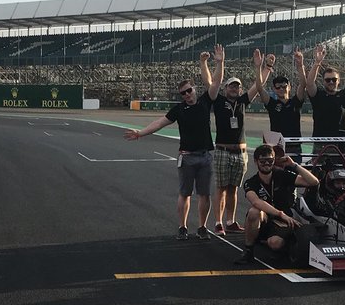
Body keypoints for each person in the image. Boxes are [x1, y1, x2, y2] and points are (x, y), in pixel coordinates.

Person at [125, 53, 216, 239]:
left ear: (194, 88)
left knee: (205, 194)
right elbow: (159, 123)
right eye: (183, 93)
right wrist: (140, 133)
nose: (187, 95)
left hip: (205, 156)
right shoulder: (179, 109)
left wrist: (204, 63)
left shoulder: (206, 101)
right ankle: (182, 227)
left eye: (189, 90)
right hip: (187, 156)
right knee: (185, 194)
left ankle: (202, 227)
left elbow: (214, 83)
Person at [207, 45, 268, 234]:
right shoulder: (218, 101)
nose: (235, 88)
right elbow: (212, 82)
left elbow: (258, 87)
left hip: (240, 152)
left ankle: (230, 221)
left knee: (233, 189)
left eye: (237, 86)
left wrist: (264, 68)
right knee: (221, 188)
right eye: (231, 86)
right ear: (225, 88)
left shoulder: (242, 101)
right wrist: (219, 62)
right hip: (223, 151)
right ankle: (218, 222)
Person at [236, 144, 319, 264]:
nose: (266, 164)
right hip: (268, 218)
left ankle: (285, 244)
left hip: (284, 221)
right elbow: (256, 201)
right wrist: (280, 214)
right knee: (254, 211)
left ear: (274, 161)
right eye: (263, 161)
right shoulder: (251, 182)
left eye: (270, 161)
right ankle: (248, 252)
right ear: (256, 161)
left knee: (275, 243)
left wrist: (294, 165)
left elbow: (314, 182)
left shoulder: (282, 175)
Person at [305, 43, 345, 137]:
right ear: (323, 81)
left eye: (334, 79)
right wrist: (317, 63)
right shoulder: (318, 95)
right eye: (328, 80)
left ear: (339, 81)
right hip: (320, 142)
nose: (331, 82)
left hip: (340, 143)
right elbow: (309, 83)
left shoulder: (344, 94)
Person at [257, 49, 307, 161]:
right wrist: (266, 66)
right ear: (274, 89)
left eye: (284, 86)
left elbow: (303, 84)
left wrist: (300, 65)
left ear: (289, 87)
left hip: (294, 146)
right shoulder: (272, 104)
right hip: (277, 147)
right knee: (278, 177)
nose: (281, 89)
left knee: (295, 175)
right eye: (278, 87)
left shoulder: (295, 101)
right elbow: (259, 88)